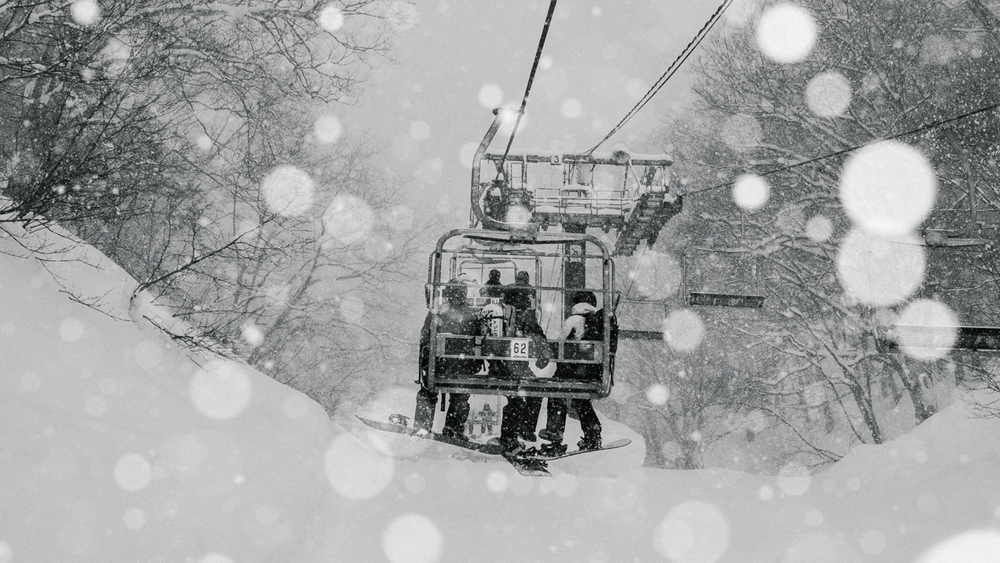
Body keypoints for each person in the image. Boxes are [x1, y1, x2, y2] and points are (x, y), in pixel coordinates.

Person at [537, 290, 618, 455]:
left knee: (556, 394)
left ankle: (554, 434)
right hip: (593, 372)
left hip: (572, 371)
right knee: (581, 401)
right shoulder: (600, 322)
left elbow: (561, 345)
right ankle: (593, 434)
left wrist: (546, 356)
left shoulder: (573, 320)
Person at [413, 278, 484, 439]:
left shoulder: (437, 313)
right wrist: (475, 363)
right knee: (460, 396)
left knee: (428, 392)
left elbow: (425, 336)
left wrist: (426, 360)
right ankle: (453, 429)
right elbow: (480, 341)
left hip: (438, 364)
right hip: (463, 366)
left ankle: (422, 426)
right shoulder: (472, 315)